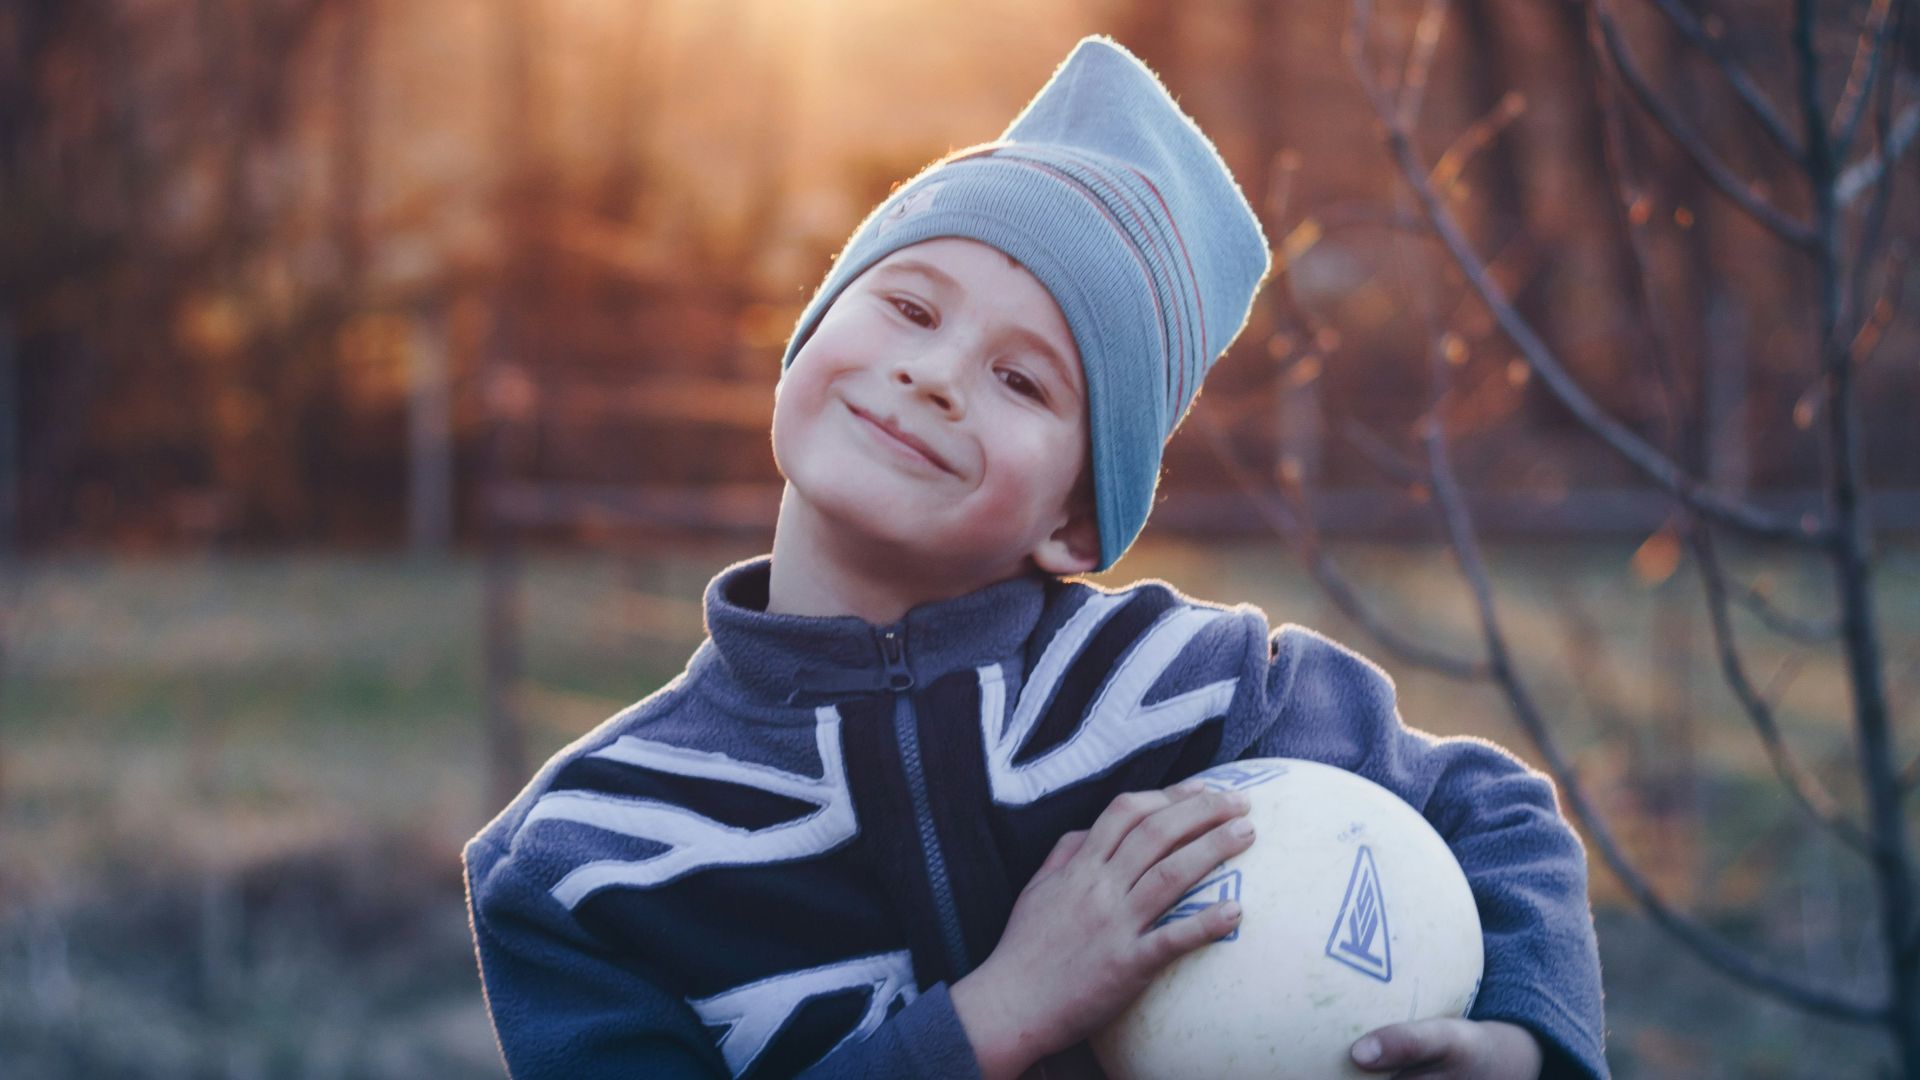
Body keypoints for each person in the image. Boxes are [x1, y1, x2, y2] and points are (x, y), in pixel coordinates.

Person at [463, 35, 1607, 1080]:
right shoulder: (588, 860)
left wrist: (1521, 1043)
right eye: (909, 306)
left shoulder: (1204, 691)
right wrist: (996, 1015)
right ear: (809, 338)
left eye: (1022, 380)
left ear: (1074, 521)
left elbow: (1496, 810)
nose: (937, 372)